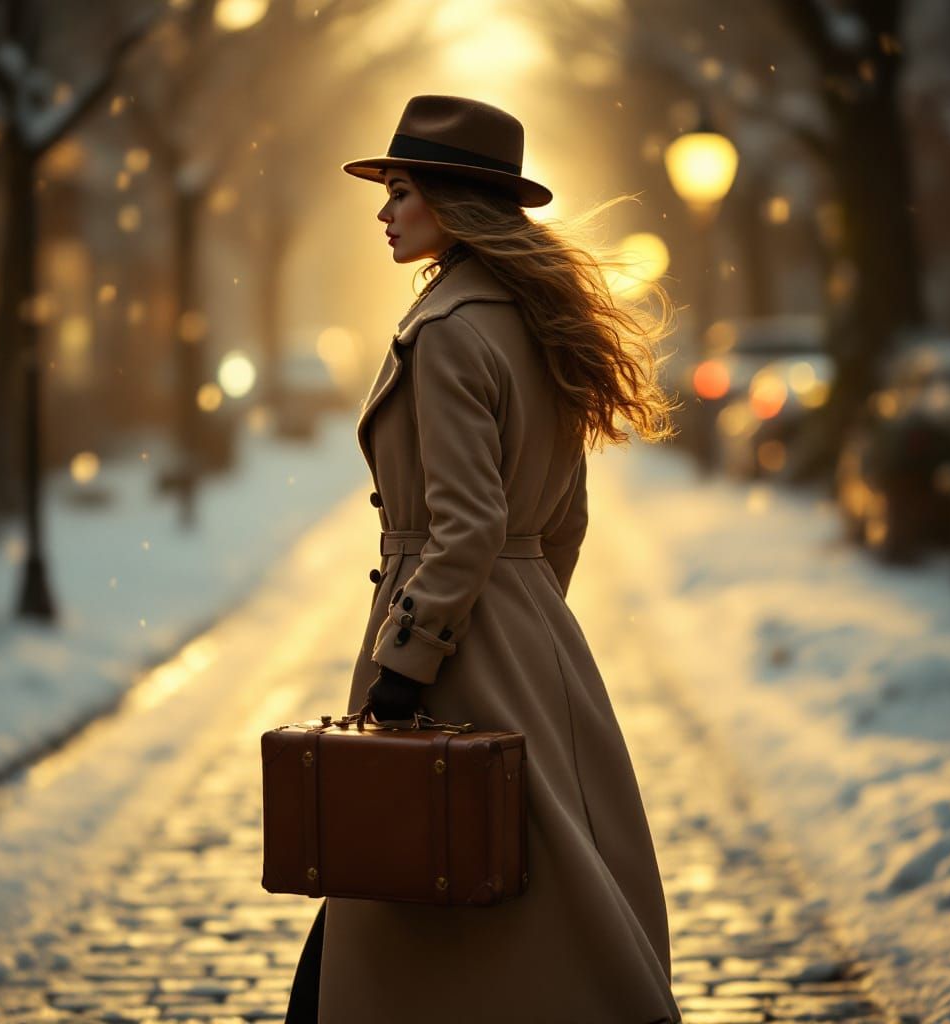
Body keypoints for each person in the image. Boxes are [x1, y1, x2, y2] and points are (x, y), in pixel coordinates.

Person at [285, 94, 682, 1024]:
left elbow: (464, 526)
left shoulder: (448, 330)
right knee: (545, 873)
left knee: (399, 863)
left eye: (401, 192)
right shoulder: (537, 320)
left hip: (449, 643)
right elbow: (564, 520)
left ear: (453, 203)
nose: (384, 213)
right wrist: (527, 622)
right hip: (530, 636)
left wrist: (406, 661)